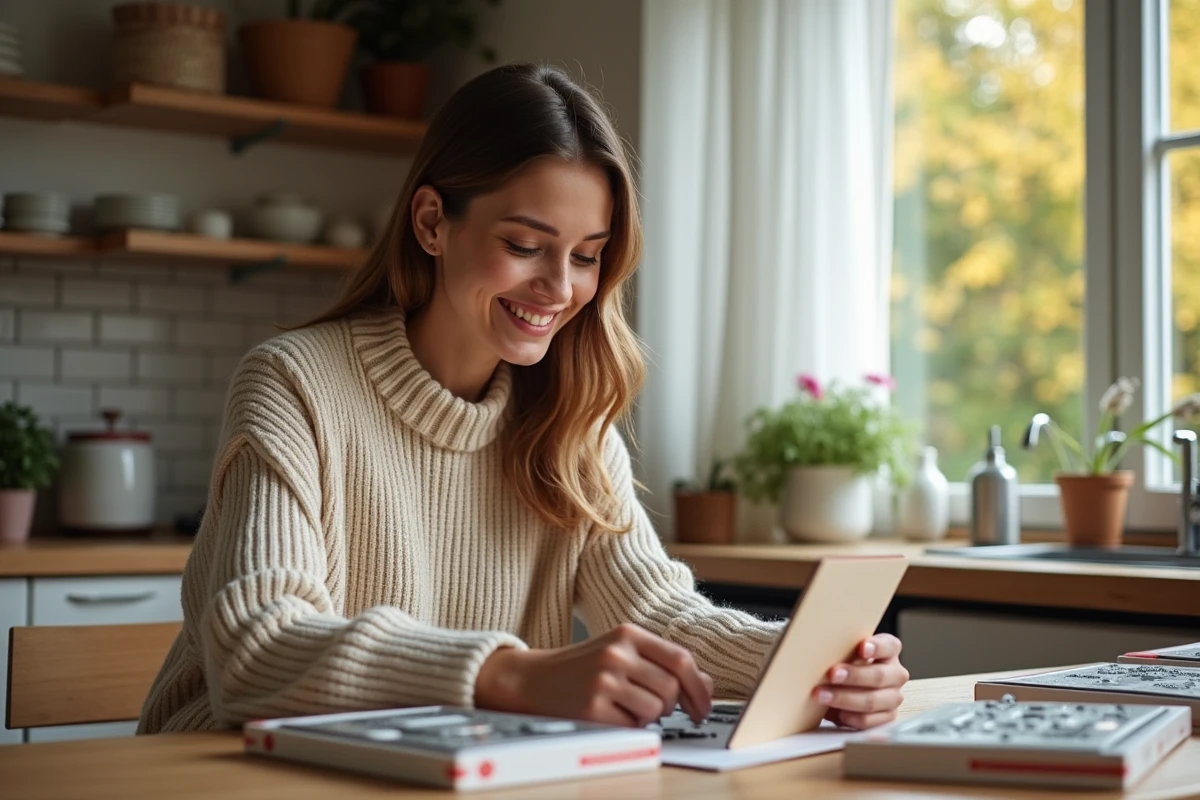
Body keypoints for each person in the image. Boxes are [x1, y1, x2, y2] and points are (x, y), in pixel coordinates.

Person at [138, 63, 908, 735]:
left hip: (431, 769)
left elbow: (659, 618)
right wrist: (511, 676)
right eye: (524, 246)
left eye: (586, 257)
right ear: (433, 222)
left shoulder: (569, 415)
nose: (559, 288)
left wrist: (811, 667)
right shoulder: (295, 382)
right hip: (229, 766)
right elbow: (258, 647)